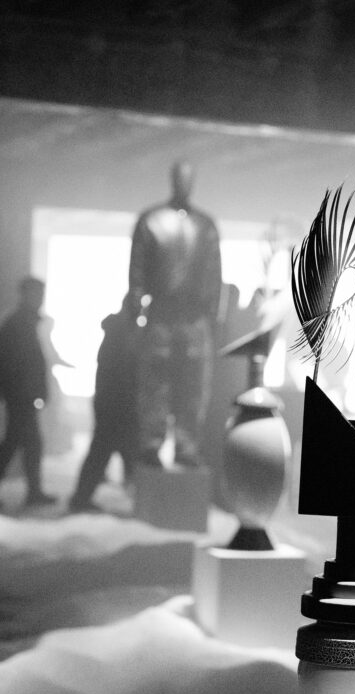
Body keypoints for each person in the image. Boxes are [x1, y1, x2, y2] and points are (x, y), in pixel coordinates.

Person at [129, 159, 222, 468]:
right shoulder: (152, 220)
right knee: (156, 384)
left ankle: (186, 444)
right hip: (162, 316)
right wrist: (136, 314)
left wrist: (213, 319)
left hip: (193, 318)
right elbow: (137, 272)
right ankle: (152, 442)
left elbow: (214, 275)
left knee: (192, 386)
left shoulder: (205, 225)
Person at [68, 293, 141, 513]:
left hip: (113, 403)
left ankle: (82, 498)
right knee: (103, 452)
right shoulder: (121, 334)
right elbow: (121, 374)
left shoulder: (120, 332)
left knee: (107, 453)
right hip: (115, 405)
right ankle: (81, 499)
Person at [0, 276, 56, 508]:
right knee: (22, 444)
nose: (39, 299)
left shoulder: (22, 323)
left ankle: (34, 492)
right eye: (36, 294)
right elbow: (16, 364)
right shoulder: (18, 324)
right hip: (21, 396)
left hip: (22, 395)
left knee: (19, 443)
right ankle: (34, 492)